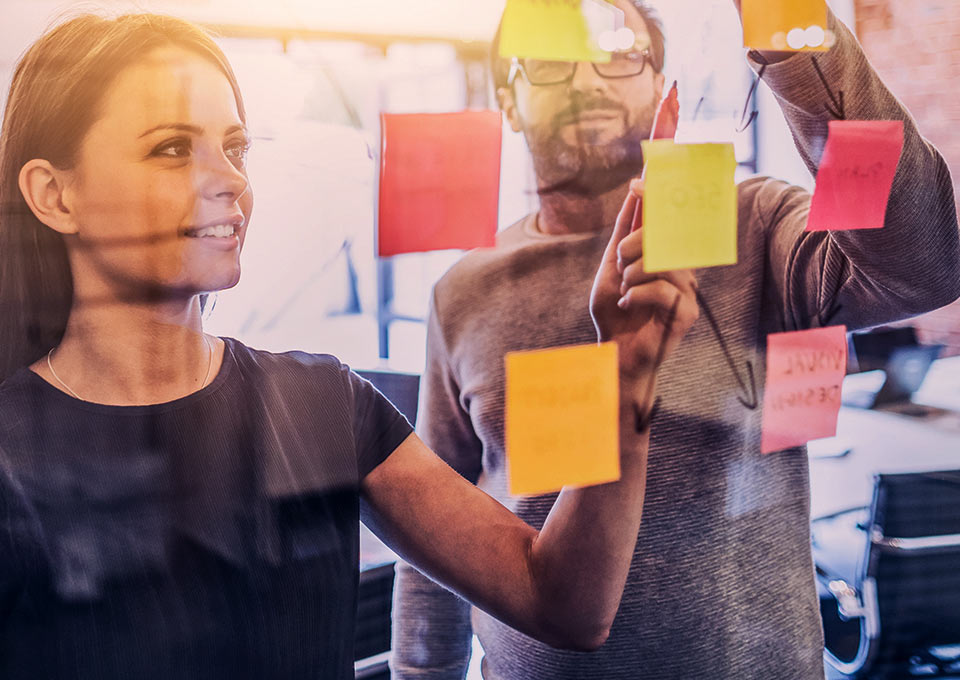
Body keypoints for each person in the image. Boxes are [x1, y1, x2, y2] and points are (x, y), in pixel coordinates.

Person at [0, 13, 700, 680]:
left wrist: (627, 381)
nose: (232, 180)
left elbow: (564, 604)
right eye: (173, 148)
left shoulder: (322, 405)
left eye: (235, 148)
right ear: (55, 196)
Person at [391, 1, 960, 678]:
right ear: (508, 103)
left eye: (617, 52)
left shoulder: (752, 226)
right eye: (546, 61)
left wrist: (795, 33)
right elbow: (435, 536)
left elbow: (922, 266)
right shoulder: (463, 292)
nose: (585, 80)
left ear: (666, 90)